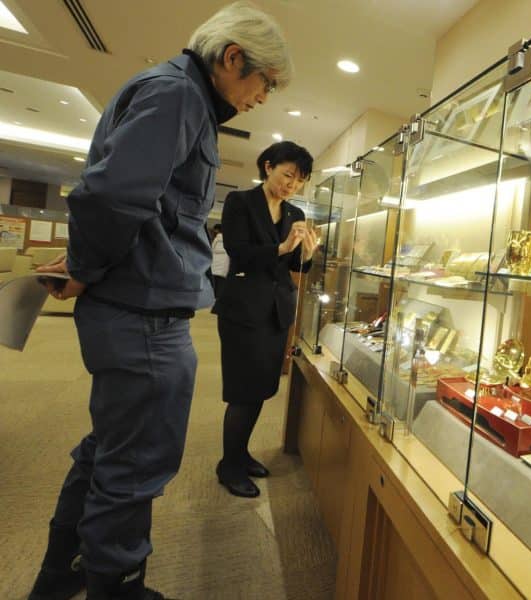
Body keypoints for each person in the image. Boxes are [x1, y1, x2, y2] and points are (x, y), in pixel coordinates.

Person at [30, 3, 291, 599]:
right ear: (233, 59)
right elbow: (111, 197)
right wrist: (87, 266)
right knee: (134, 465)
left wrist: (88, 267)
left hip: (140, 309)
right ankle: (115, 586)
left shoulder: (179, 94)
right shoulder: (178, 95)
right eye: (265, 82)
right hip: (143, 315)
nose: (263, 97)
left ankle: (62, 574)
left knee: (110, 450)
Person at [211, 141, 317, 498]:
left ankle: (240, 454)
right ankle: (229, 466)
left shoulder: (294, 213)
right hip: (243, 310)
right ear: (268, 166)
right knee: (243, 392)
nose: (292, 185)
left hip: (276, 312)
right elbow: (239, 253)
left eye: (299, 181)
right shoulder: (241, 202)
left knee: (260, 391)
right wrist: (282, 248)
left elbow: (291, 267)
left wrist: (306, 256)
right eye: (288, 175)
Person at [210, 224, 229, 299]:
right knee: (220, 286)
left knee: (213, 285)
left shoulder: (216, 239)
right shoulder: (228, 240)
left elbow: (211, 250)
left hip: (214, 266)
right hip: (223, 268)